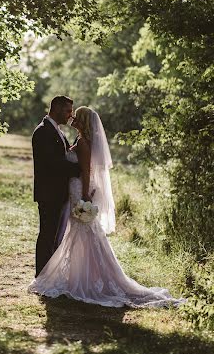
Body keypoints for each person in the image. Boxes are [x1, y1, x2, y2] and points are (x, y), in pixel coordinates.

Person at [29, 106, 185, 308]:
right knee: (77, 234)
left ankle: (87, 279)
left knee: (83, 234)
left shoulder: (83, 143)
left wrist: (85, 197)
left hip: (79, 193)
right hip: (73, 191)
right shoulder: (79, 140)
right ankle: (78, 275)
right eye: (70, 112)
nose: (72, 116)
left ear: (83, 120)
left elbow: (86, 172)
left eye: (76, 114)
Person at [32, 96, 80, 277]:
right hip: (49, 193)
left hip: (58, 193)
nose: (70, 115)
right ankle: (42, 276)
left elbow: (64, 155)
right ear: (57, 108)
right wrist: (80, 169)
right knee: (47, 236)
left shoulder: (56, 130)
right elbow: (54, 163)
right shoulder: (43, 131)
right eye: (68, 110)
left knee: (54, 236)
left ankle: (49, 276)